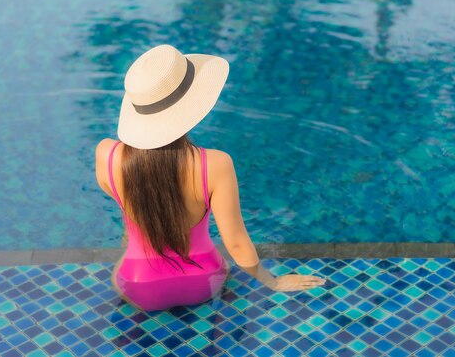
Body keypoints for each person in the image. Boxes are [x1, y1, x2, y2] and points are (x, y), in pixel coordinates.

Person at [95, 44, 325, 311]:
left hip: (138, 285)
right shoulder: (216, 164)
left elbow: (129, 201)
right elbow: (237, 245)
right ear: (190, 106)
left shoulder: (107, 155)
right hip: (203, 282)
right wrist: (272, 282)